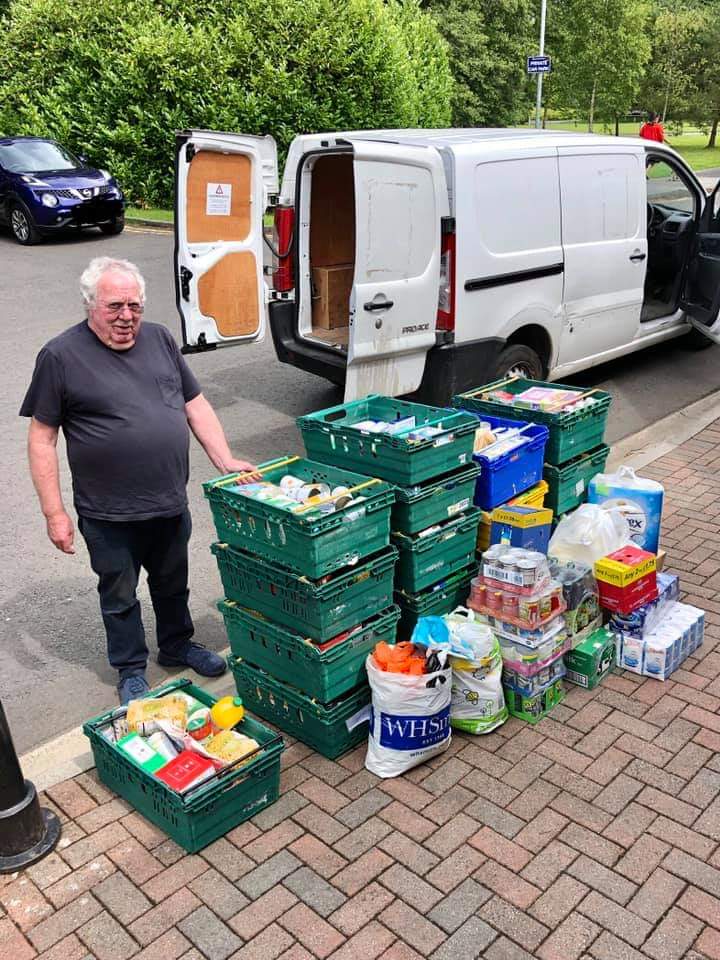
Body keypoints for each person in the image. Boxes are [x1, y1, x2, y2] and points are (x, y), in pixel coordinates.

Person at [20, 256, 259, 704]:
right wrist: (54, 512)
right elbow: (41, 437)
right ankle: (130, 667)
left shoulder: (161, 339)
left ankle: (175, 645)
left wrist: (223, 458)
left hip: (168, 502)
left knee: (173, 583)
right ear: (91, 305)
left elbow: (195, 404)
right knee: (119, 595)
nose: (126, 317)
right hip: (107, 513)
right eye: (115, 307)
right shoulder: (60, 356)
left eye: (134, 306)